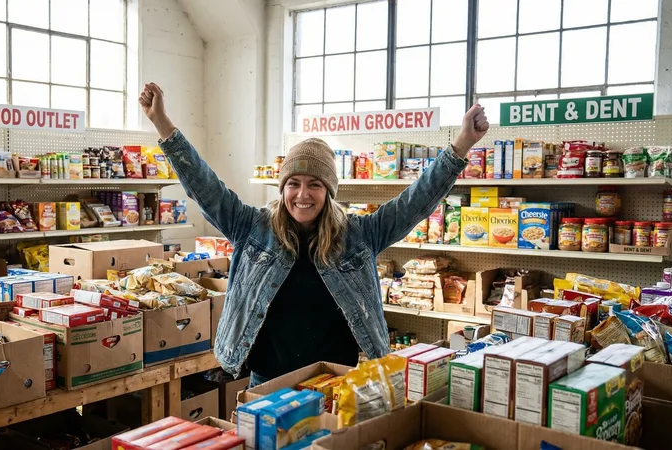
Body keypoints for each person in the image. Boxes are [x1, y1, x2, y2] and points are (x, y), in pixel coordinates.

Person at [138, 83, 489, 388]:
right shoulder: (252, 227)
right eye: (294, 183)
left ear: (329, 191)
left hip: (337, 381)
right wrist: (161, 121)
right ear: (283, 187)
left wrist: (462, 143)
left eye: (314, 185)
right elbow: (204, 186)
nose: (302, 195)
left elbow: (416, 202)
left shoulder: (358, 235)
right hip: (268, 380)